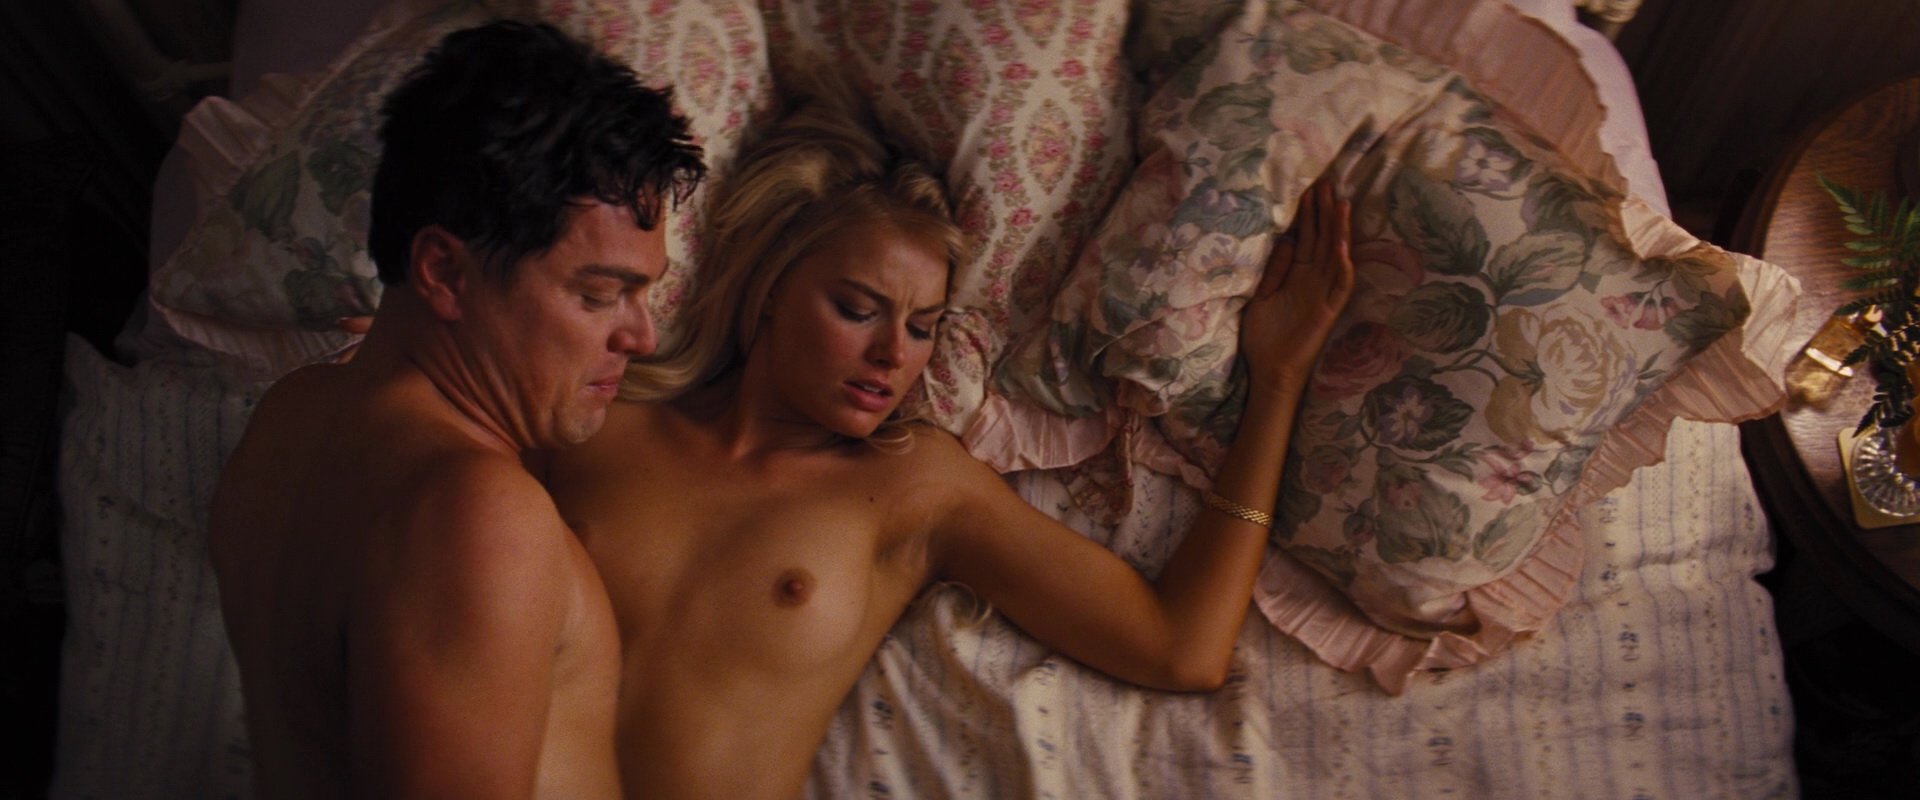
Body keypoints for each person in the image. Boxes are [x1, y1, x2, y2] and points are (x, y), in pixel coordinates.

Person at [541, 87, 1355, 800]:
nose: (893, 355)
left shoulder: (914, 487)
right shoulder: (595, 425)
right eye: (858, 309)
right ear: (772, 289)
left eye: (923, 326)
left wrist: (1277, 382)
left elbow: (1182, 648)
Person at [207, 20, 705, 798]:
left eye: (643, 293)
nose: (641, 336)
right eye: (599, 294)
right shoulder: (479, 517)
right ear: (442, 271)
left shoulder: (294, 412)